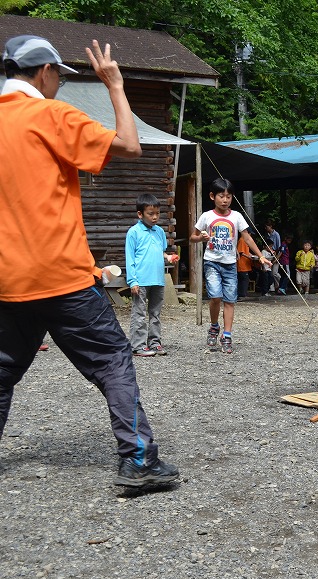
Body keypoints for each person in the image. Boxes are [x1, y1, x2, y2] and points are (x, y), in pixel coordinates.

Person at [0, 34, 178, 487]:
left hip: (6, 280)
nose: (59, 83)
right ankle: (138, 461)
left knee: (2, 372)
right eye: (59, 74)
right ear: (44, 72)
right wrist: (114, 85)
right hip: (62, 275)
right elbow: (130, 145)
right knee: (113, 361)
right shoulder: (50, 114)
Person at [190, 178, 270, 355]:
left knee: (230, 300)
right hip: (211, 262)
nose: (225, 200)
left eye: (228, 196)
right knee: (215, 296)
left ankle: (227, 335)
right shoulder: (206, 216)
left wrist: (260, 256)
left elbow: (247, 238)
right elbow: (192, 237)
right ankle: (213, 326)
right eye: (221, 196)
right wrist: (201, 238)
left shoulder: (237, 216)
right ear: (212, 196)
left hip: (230, 264)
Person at [126, 193, 178, 357]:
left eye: (157, 213)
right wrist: (132, 280)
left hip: (158, 279)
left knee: (155, 313)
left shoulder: (160, 232)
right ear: (140, 214)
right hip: (140, 281)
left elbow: (160, 251)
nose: (155, 217)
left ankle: (155, 343)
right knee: (139, 313)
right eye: (150, 213)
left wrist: (168, 257)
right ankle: (138, 346)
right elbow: (130, 258)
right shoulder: (133, 232)